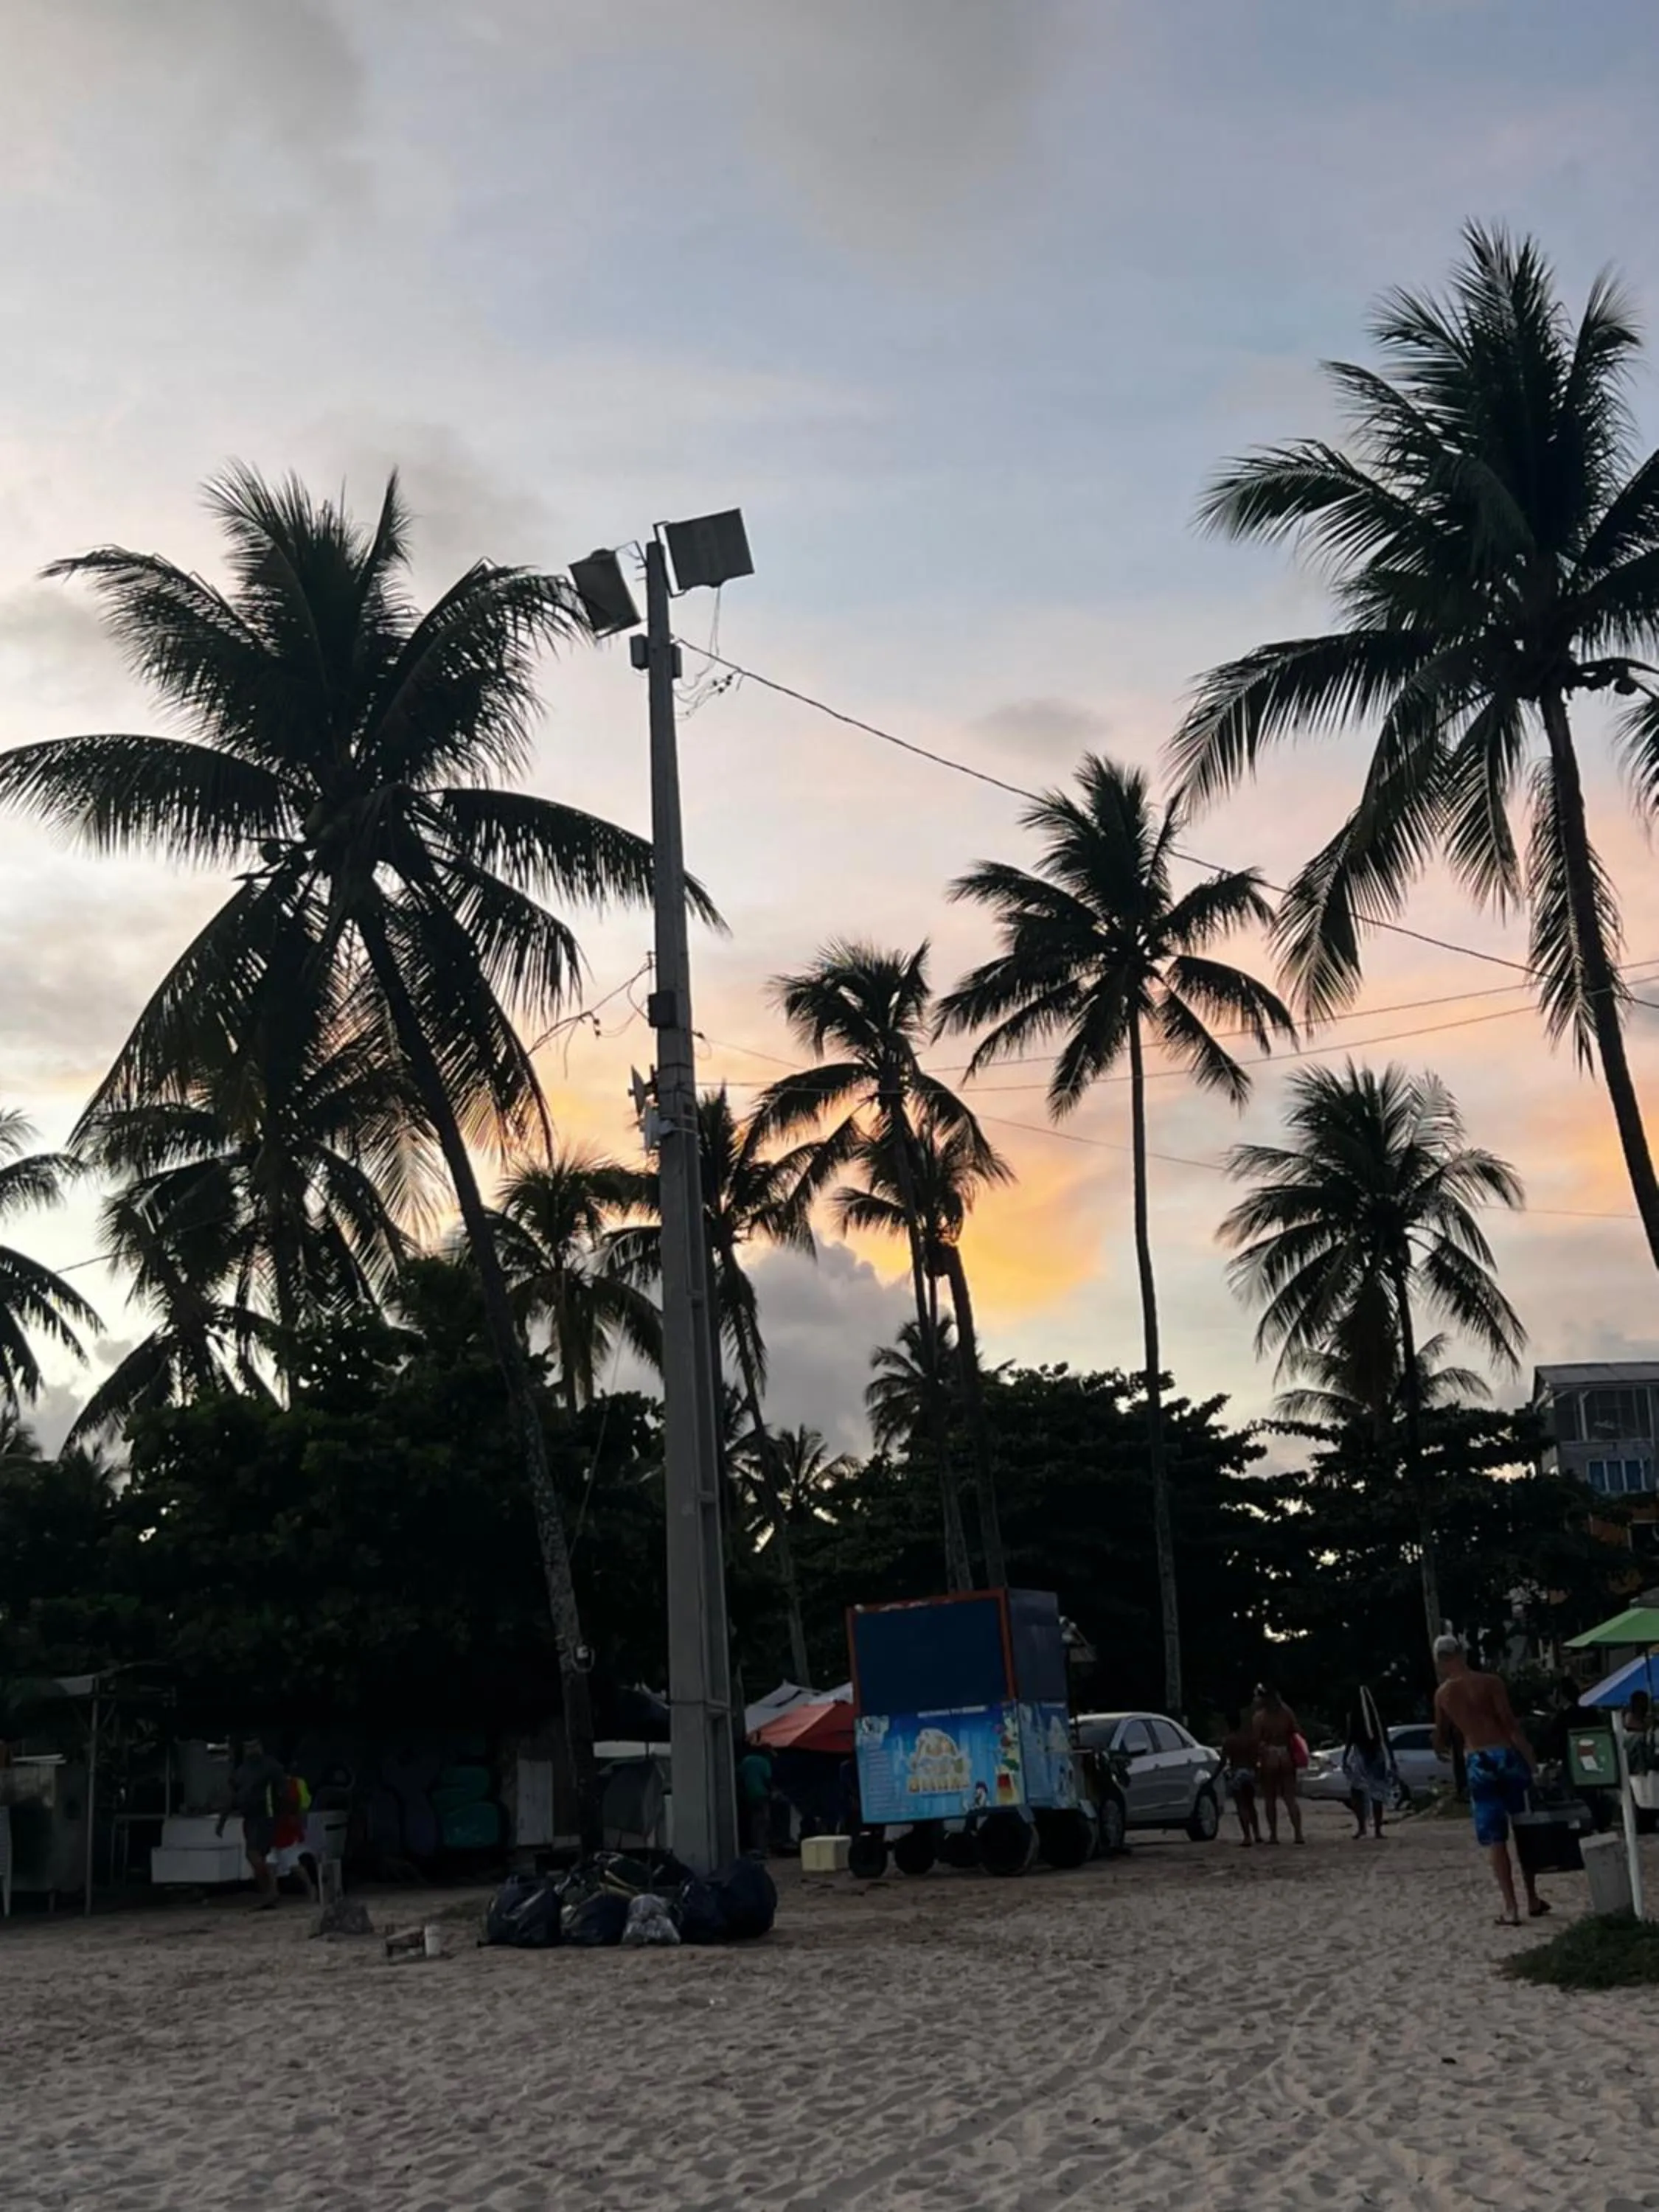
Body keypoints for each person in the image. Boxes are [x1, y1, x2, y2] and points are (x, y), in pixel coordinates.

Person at [1432, 1633, 1548, 1927]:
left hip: (1477, 1760)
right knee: (1523, 1827)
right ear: (1463, 1653)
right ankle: (1532, 1897)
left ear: (1441, 1661)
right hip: (1505, 1755)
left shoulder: (1443, 1695)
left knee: (1495, 1838)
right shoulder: (1490, 1683)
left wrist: (1444, 1749)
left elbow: (1441, 1738)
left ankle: (1511, 1907)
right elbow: (1510, 1725)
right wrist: (1532, 1761)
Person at [218, 1735, 288, 1908]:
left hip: (266, 1816)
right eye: (249, 1747)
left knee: (255, 1854)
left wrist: (284, 1811)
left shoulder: (270, 1765)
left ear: (260, 1747)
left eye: (255, 1746)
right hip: (249, 1818)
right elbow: (233, 1796)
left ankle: (270, 1891)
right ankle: (269, 1892)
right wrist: (222, 1820)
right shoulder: (242, 1771)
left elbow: (283, 1789)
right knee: (258, 1857)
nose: (252, 1750)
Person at [1251, 1686, 1304, 1845]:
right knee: (1290, 1798)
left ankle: (1274, 1835)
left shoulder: (1260, 1717)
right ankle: (1298, 1834)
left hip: (1269, 1756)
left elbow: (1256, 1740)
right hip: (1286, 1754)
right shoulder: (1287, 1713)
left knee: (1270, 1798)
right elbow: (1297, 1731)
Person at [1343, 1694, 1390, 1840]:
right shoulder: (1375, 1716)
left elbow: (1351, 1738)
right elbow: (1384, 1739)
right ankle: (1372, 1828)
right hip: (1369, 1754)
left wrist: (1346, 1757)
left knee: (1364, 1793)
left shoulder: (1371, 1717)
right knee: (1372, 1794)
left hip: (1368, 1754)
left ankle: (1365, 1827)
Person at [1220, 1708, 1260, 1847]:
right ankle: (1258, 1833)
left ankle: (1247, 1836)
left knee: (1241, 1806)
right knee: (1251, 1805)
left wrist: (1215, 1775)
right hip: (1249, 1772)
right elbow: (1256, 1755)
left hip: (1237, 1773)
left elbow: (1223, 1761)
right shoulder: (1248, 1738)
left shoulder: (1229, 1740)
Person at [738, 1741, 774, 1857]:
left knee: (755, 1821)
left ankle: (755, 1847)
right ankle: (762, 1849)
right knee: (764, 1822)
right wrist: (772, 1792)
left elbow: (739, 1776)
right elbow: (768, 1780)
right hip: (762, 1795)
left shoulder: (746, 1760)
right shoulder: (764, 1762)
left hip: (749, 1795)